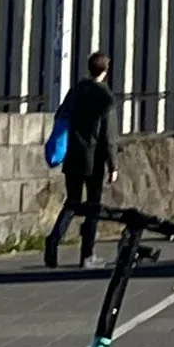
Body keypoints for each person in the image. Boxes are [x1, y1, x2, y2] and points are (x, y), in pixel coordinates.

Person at [44, 49, 119, 266]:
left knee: (73, 202)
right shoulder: (106, 97)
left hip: (73, 154)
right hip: (94, 158)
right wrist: (113, 165)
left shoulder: (76, 91)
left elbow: (60, 115)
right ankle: (87, 255)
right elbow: (109, 136)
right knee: (93, 206)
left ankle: (54, 239)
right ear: (105, 70)